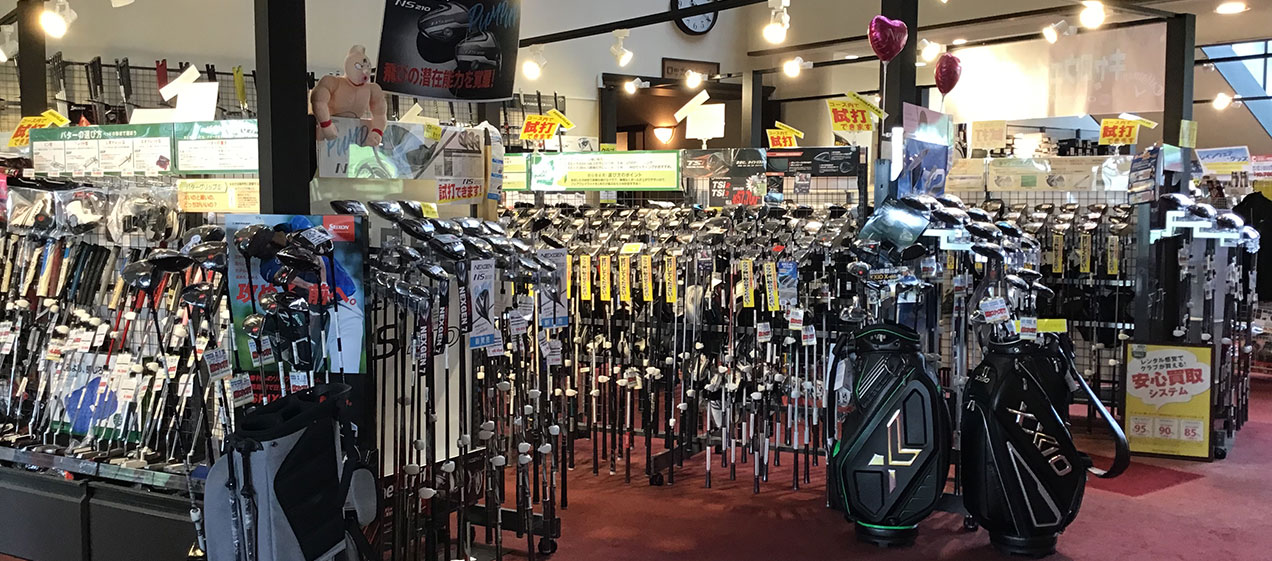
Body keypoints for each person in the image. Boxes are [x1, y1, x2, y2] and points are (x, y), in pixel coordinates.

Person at [257, 216, 365, 374]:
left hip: (341, 305)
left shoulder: (297, 223)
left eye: (267, 244)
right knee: (307, 371)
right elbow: (282, 276)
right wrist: (309, 286)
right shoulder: (266, 264)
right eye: (260, 251)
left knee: (345, 370)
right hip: (309, 314)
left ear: (274, 234)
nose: (266, 250)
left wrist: (323, 284)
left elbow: (318, 254)